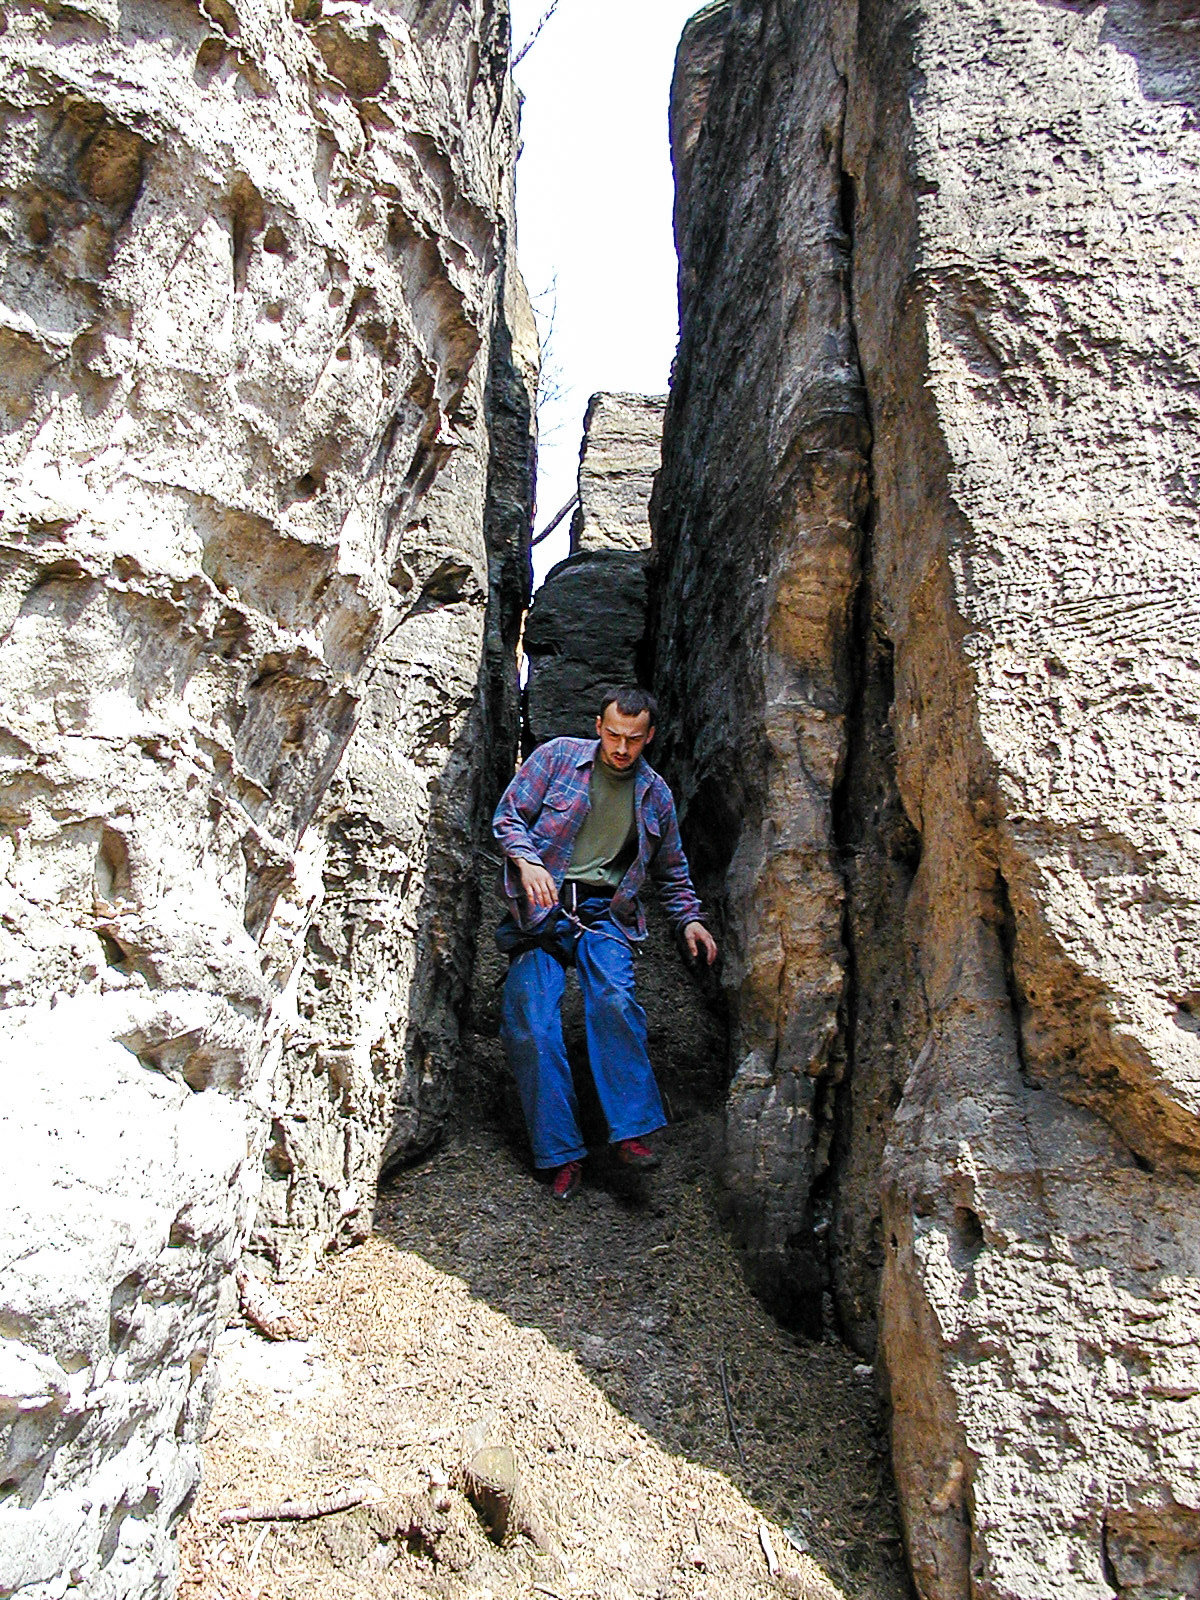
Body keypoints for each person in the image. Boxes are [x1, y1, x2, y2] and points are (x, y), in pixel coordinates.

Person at [492, 685, 718, 1201]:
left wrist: (689, 921)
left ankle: (630, 1132)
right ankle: (562, 1154)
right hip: (542, 913)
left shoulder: (656, 795)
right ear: (598, 726)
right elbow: (507, 818)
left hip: (604, 915)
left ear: (649, 737)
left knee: (614, 998)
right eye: (613, 735)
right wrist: (527, 862)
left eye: (633, 739)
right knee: (532, 1023)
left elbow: (672, 871)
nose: (621, 748)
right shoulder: (556, 759)